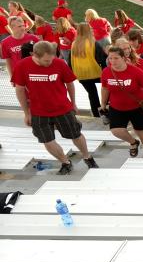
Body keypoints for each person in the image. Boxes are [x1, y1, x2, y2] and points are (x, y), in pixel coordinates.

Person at [13, 41, 99, 174]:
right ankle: (65, 162)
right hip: (38, 112)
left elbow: (70, 84)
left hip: (62, 108)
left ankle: (87, 156)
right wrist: (26, 113)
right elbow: (19, 90)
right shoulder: (22, 66)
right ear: (34, 54)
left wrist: (73, 103)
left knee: (75, 134)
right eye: (46, 61)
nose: (49, 63)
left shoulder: (59, 63)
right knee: (47, 140)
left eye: (51, 59)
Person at [100, 46, 143, 158]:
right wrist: (103, 103)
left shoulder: (136, 72)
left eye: (116, 58)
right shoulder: (106, 72)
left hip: (137, 107)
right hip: (116, 107)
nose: (112, 61)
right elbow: (105, 88)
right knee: (116, 131)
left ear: (123, 58)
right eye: (110, 58)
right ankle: (133, 142)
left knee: (142, 131)